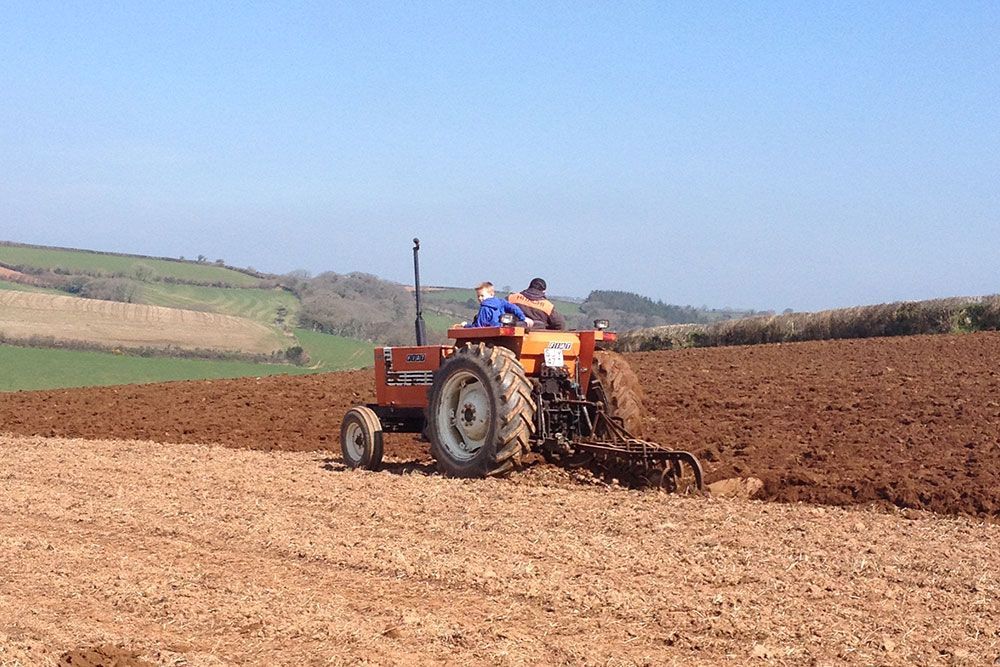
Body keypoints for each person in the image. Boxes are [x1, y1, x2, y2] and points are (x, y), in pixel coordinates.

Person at [461, 282, 535, 328]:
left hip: (488, 334)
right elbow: (514, 308)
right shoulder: (501, 302)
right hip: (501, 328)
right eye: (478, 296)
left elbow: (479, 326)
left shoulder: (485, 308)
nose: (480, 298)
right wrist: (523, 318)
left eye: (482, 295)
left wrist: (466, 325)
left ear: (492, 294)